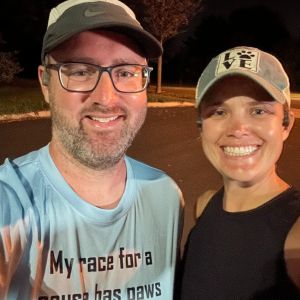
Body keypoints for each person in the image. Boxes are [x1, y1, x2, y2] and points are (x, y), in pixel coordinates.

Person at [0, 0, 183, 298]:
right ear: (45, 83)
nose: (106, 98)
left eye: (125, 72)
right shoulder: (9, 203)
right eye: (81, 71)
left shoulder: (166, 197)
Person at [180, 46, 300, 299]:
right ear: (201, 127)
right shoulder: (205, 206)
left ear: (286, 124)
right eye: (219, 112)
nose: (238, 128)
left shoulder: (295, 233)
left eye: (258, 111)